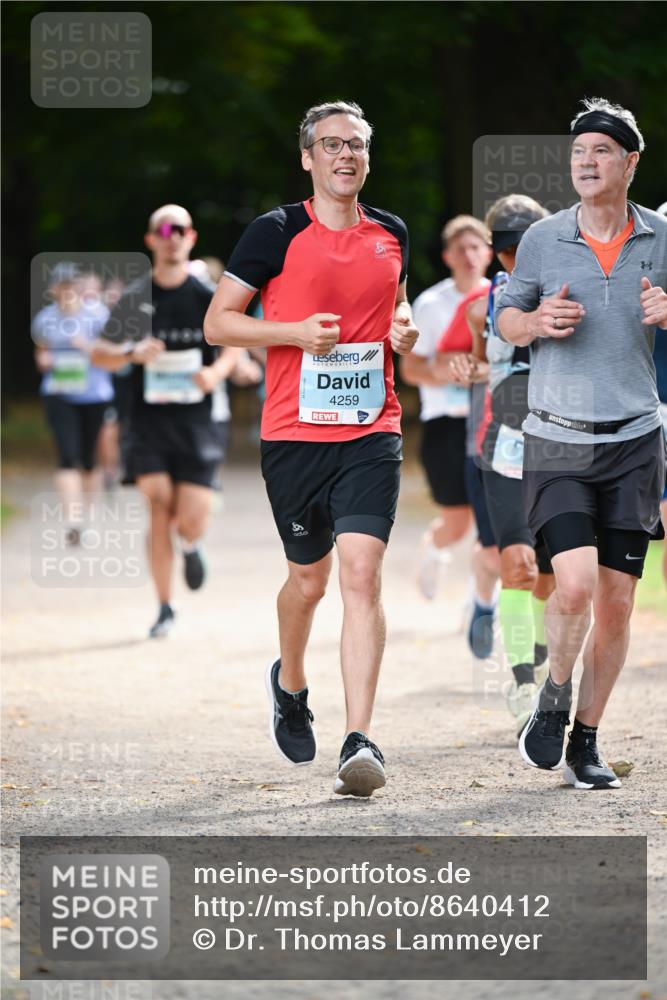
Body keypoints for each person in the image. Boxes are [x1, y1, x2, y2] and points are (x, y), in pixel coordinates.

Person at [204, 101, 418, 797]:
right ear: (308, 158)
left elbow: (397, 306)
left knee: (361, 573)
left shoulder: (391, 232)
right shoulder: (275, 232)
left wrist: (405, 331)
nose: (345, 156)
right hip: (294, 435)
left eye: (355, 145)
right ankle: (290, 684)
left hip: (371, 428)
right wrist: (293, 332)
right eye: (331, 145)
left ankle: (360, 739)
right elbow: (219, 324)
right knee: (309, 581)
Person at [497, 98, 667, 789]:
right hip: (558, 439)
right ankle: (552, 695)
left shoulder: (659, 236)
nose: (586, 163)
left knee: (618, 601)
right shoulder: (541, 239)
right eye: (577, 153)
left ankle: (585, 740)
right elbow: (505, 320)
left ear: (629, 161)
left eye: (601, 151)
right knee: (570, 587)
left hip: (633, 440)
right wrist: (534, 320)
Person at [91, 205, 248, 637]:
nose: (171, 235)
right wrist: (129, 353)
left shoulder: (207, 295)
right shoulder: (135, 298)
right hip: (148, 422)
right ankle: (165, 606)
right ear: (151, 241)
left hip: (198, 422)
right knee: (158, 505)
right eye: (162, 228)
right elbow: (98, 354)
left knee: (190, 517)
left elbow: (236, 344)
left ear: (191, 237)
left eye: (178, 228)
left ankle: (192, 544)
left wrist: (215, 373)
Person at [458, 195, 555, 734]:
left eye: (527, 247)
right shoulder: (481, 305)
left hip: (563, 447)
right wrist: (466, 368)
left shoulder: (572, 290)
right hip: (505, 447)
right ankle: (522, 686)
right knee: (517, 566)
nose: (518, 259)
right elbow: (473, 363)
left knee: (553, 577)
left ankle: (540, 669)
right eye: (509, 250)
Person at [400, 218, 498, 626]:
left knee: (492, 524)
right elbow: (411, 369)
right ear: (447, 257)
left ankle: (480, 601)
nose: (470, 256)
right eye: (461, 249)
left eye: (477, 247)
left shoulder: (503, 297)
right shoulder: (430, 303)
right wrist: (445, 368)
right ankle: (435, 546)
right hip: (445, 421)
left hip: (493, 423)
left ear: (489, 253)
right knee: (457, 523)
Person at [32, 263, 113, 544]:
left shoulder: (99, 316)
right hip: (58, 393)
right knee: (67, 456)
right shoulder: (44, 319)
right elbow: (41, 354)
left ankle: (88, 519)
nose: (67, 290)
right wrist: (44, 361)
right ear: (53, 289)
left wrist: (87, 347)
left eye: (71, 285)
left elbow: (112, 354)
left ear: (79, 287)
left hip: (94, 394)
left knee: (89, 459)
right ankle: (73, 522)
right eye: (62, 285)